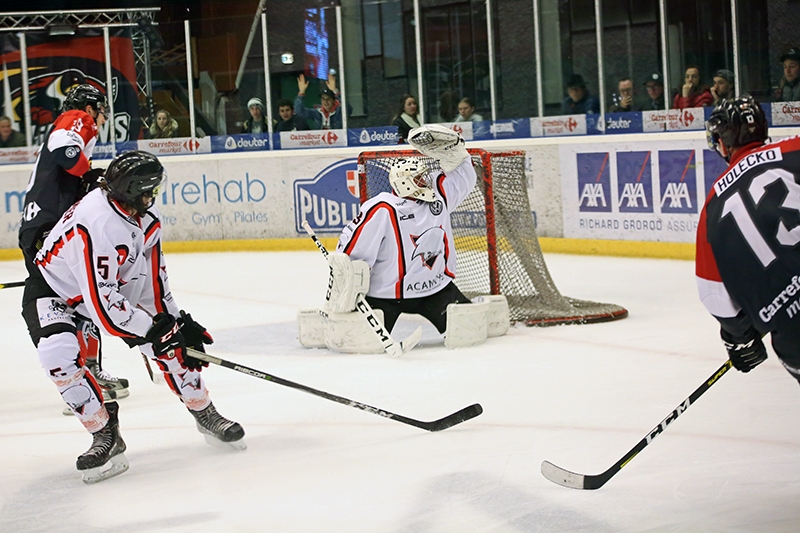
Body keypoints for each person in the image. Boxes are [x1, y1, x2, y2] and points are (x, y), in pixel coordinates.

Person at [25, 150, 246, 484]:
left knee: (171, 343)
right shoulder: (95, 222)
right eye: (148, 190)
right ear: (132, 190)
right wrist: (155, 330)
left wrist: (174, 322)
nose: (152, 196)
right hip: (56, 289)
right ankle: (104, 434)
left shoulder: (145, 215)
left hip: (109, 287)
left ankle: (204, 411)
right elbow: (104, 309)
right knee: (57, 357)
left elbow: (153, 278)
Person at [331, 124, 502, 349]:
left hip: (436, 290)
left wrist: (457, 153)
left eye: (424, 177)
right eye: (420, 179)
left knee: (471, 334)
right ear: (405, 182)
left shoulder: (439, 197)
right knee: (361, 345)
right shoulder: (383, 208)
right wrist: (349, 284)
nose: (426, 181)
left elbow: (464, 180)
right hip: (386, 296)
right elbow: (353, 251)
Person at [18, 84, 130, 404]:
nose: (101, 115)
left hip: (37, 227)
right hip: (51, 227)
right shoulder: (77, 116)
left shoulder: (70, 123)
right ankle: (87, 374)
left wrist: (85, 180)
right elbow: (63, 150)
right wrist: (89, 173)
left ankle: (82, 375)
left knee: (70, 301)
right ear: (90, 106)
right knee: (86, 295)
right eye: (100, 108)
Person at [697, 95, 800, 386]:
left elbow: (714, 293)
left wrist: (740, 337)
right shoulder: (793, 149)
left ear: (723, 142)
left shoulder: (712, 206)